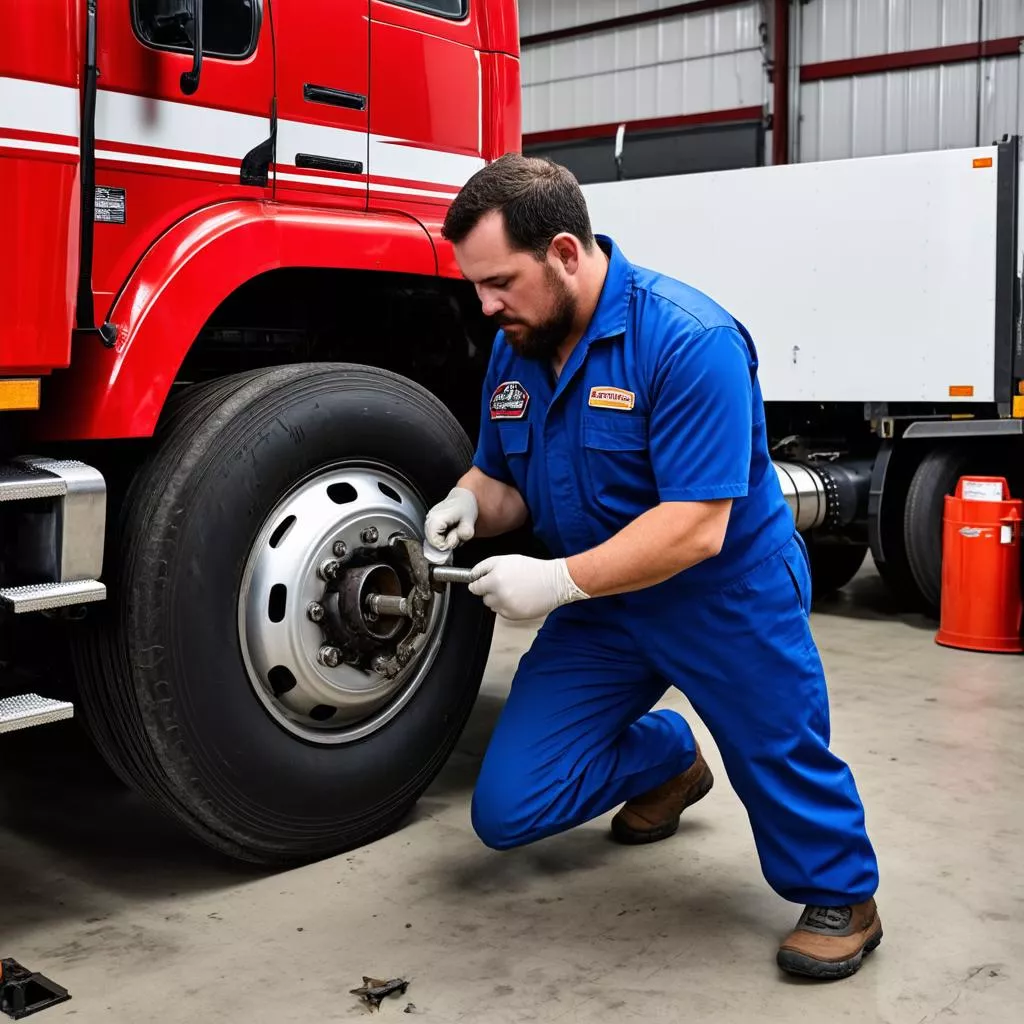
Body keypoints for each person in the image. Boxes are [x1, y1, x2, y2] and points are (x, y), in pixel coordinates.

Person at [424, 153, 881, 981]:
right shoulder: (517, 347)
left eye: (499, 282)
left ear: (565, 252)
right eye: (476, 285)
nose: (485, 306)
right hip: (608, 610)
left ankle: (843, 895)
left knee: (778, 753)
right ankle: (669, 757)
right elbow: (505, 482)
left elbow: (696, 528)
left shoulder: (688, 339)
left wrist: (555, 581)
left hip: (721, 595)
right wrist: (465, 500)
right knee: (507, 808)